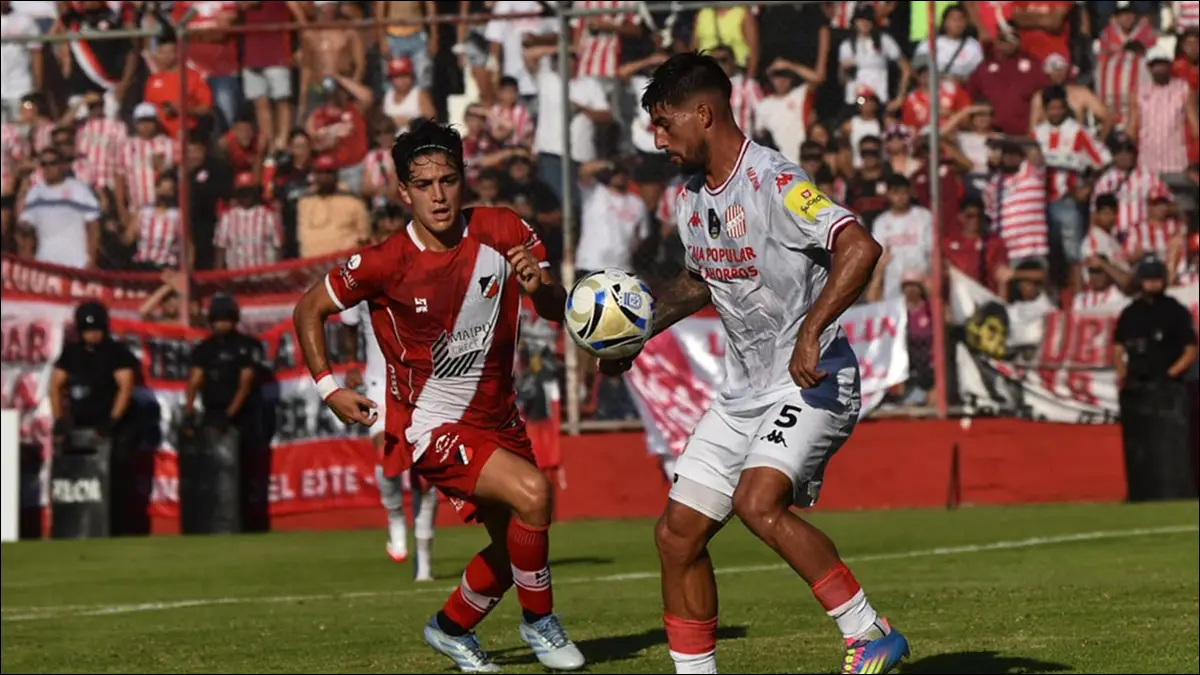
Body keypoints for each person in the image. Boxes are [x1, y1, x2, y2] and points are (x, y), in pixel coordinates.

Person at [607, 52, 907, 675]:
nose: (657, 139)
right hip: (742, 393)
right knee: (676, 535)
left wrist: (811, 332)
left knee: (757, 502)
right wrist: (634, 334)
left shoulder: (773, 180)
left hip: (814, 377)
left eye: (664, 124)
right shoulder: (690, 200)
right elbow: (699, 284)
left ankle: (870, 631)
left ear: (705, 114)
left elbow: (860, 246)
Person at [291, 119, 585, 673]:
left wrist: (540, 285)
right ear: (403, 191)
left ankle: (449, 628)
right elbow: (309, 308)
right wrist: (330, 388)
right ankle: (539, 623)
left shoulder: (503, 229)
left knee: (510, 550)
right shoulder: (384, 262)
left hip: (499, 418)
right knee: (534, 493)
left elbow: (554, 306)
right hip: (431, 424)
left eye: (448, 180)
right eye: (423, 185)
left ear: (463, 179)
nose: (439, 195)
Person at [340, 233, 440, 579]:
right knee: (388, 460)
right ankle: (396, 516)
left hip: (421, 384)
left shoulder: (422, 281)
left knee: (427, 475)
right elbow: (349, 325)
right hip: (379, 382)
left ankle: (424, 563)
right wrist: (351, 361)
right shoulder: (364, 281)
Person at [1112, 255, 1199, 500]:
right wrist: (1122, 373)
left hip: (1169, 389)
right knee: (1138, 447)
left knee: (1171, 447)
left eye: (1155, 279)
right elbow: (1118, 348)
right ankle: (1140, 492)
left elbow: (1190, 349)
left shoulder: (1175, 311)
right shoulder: (1130, 313)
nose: (1151, 284)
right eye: (1147, 279)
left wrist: (1169, 375)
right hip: (1137, 387)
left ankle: (1173, 491)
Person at [183, 294, 260, 438]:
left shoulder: (246, 345)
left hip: (242, 413)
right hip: (211, 412)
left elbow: (246, 384)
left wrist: (228, 415)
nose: (222, 324)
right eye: (218, 319)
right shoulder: (204, 348)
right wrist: (188, 413)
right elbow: (194, 381)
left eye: (226, 319)